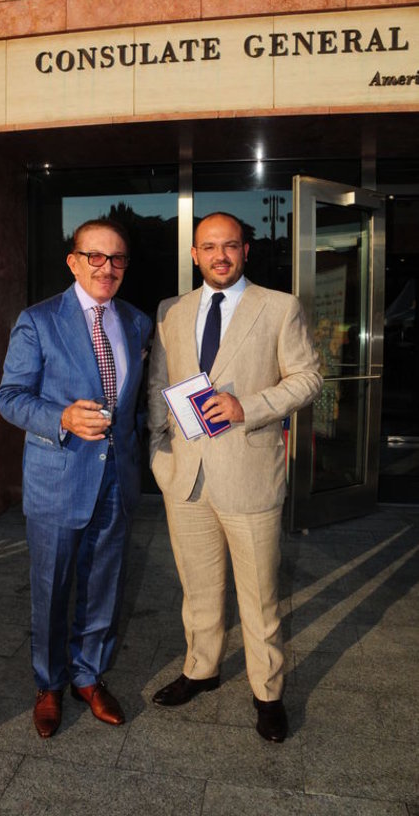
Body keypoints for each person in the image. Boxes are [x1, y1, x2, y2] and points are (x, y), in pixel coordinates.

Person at [148, 211, 322, 742]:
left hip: (249, 477)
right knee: (198, 588)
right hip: (185, 478)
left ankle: (267, 692)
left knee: (259, 597)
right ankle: (201, 669)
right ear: (194, 254)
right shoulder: (171, 310)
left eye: (230, 245)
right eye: (208, 246)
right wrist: (158, 454)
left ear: (246, 250)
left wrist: (249, 406)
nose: (219, 255)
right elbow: (159, 384)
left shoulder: (280, 307)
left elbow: (309, 378)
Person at [0, 218, 152, 739]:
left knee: (105, 585)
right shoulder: (39, 321)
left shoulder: (135, 322)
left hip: (117, 480)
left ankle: (88, 676)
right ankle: (49, 683)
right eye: (95, 257)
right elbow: (10, 397)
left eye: (117, 258)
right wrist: (61, 417)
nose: (107, 268)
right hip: (58, 479)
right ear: (73, 261)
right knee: (51, 587)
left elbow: (133, 404)